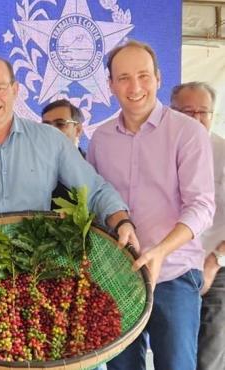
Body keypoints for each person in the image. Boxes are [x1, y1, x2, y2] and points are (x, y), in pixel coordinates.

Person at [0, 56, 137, 247]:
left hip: (37, 273)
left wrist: (122, 222)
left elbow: (95, 192)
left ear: (15, 89)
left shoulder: (51, 141)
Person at [88, 41, 215, 370]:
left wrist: (159, 251)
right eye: (124, 78)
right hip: (117, 277)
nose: (135, 87)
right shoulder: (100, 139)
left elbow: (201, 206)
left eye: (144, 76)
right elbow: (95, 204)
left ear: (158, 78)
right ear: (111, 84)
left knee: (176, 365)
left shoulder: (187, 132)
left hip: (174, 274)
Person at [170, 81, 224, 370]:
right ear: (171, 111)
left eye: (203, 112)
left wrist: (215, 260)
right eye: (187, 112)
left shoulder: (223, 152)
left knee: (208, 357)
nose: (196, 119)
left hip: (215, 267)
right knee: (176, 357)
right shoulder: (160, 151)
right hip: (168, 268)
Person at [41, 98, 86, 206]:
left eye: (60, 124)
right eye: (46, 125)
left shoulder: (93, 167)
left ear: (78, 130)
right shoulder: (31, 166)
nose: (51, 130)